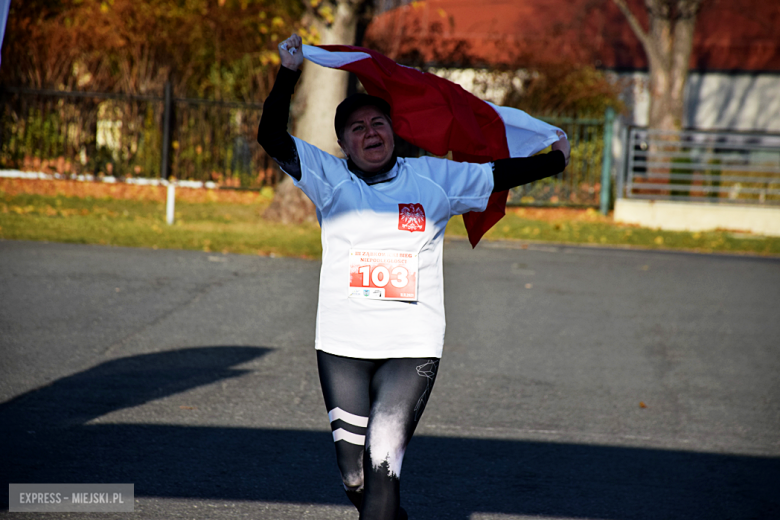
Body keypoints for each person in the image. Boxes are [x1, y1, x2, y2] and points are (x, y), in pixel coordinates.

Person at [258, 34, 570, 520]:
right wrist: (289, 72)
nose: (370, 132)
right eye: (357, 128)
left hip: (412, 346)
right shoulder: (327, 177)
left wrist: (554, 161)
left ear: (393, 131)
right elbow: (272, 137)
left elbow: (494, 174)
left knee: (384, 465)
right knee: (354, 475)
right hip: (343, 347)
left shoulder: (434, 179)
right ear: (342, 143)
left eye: (378, 123)